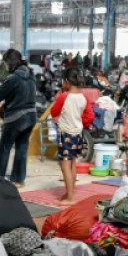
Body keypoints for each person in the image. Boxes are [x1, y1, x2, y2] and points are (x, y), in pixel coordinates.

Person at [0, 49, 38, 188]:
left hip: (16, 118)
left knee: (4, 148)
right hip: (31, 115)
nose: (5, 66)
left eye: (6, 63)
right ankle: (18, 180)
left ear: (10, 62)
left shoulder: (13, 78)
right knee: (22, 148)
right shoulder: (31, 75)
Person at [50, 68, 93, 206]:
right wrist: (81, 122)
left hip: (66, 134)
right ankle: (69, 193)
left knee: (65, 167)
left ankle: (70, 198)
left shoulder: (64, 97)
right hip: (78, 133)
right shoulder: (83, 97)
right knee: (73, 164)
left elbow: (53, 111)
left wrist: (62, 94)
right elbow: (89, 116)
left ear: (67, 81)